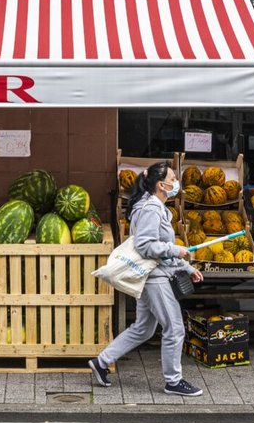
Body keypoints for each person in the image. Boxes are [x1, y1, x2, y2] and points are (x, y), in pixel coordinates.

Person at [88, 160, 205, 397]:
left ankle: (102, 362)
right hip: (155, 279)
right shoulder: (151, 208)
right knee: (174, 327)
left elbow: (157, 248)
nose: (176, 183)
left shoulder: (151, 206)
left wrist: (185, 265)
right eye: (173, 180)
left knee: (143, 328)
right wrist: (176, 250)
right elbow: (146, 246)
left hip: (153, 275)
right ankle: (173, 381)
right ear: (161, 185)